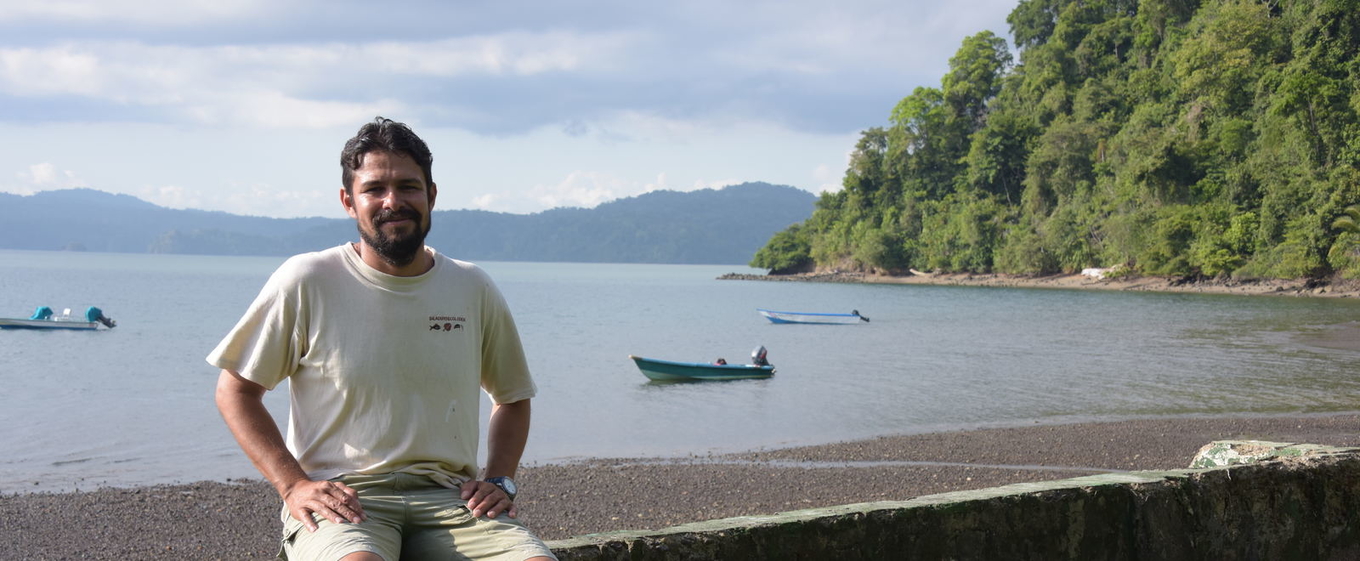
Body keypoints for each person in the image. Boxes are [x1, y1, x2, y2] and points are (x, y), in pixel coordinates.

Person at [209, 117, 556, 561]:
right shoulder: (308, 279)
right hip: (346, 502)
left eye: (409, 186)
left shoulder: (472, 286)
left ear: (431, 196)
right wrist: (293, 485)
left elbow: (512, 396)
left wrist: (500, 479)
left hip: (452, 500)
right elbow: (235, 390)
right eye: (375, 189)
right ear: (348, 202)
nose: (393, 201)